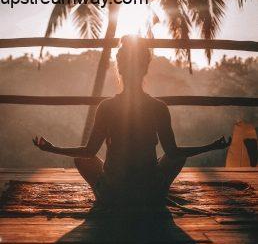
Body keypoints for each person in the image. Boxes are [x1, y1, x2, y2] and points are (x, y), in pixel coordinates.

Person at [33, 36, 231, 208]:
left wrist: (53, 148)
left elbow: (88, 152)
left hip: (114, 193)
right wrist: (212, 146)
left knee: (81, 159)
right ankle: (158, 192)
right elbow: (173, 153)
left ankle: (105, 196)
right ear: (145, 68)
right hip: (149, 192)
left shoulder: (107, 106)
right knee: (177, 157)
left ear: (119, 68)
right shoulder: (158, 107)